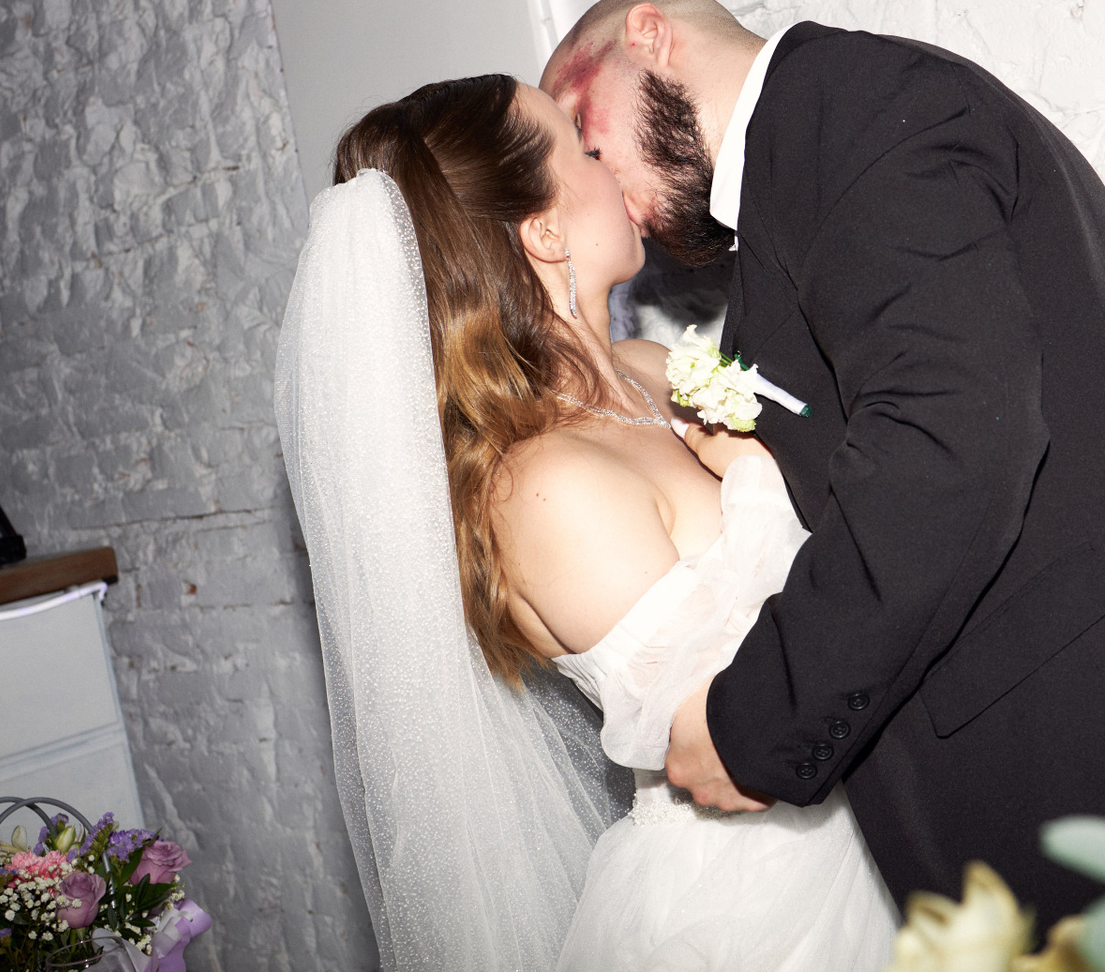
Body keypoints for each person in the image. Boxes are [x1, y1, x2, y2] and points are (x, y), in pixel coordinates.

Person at [539, 0, 1105, 926]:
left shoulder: (852, 117)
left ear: (650, 36)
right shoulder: (821, 142)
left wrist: (758, 723)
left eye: (584, 132)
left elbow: (948, 444)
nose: (594, 180)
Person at [276, 75, 896, 971]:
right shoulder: (539, 488)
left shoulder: (649, 367)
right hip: (754, 904)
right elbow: (718, 722)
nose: (609, 160)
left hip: (868, 819)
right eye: (581, 145)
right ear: (545, 232)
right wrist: (757, 480)